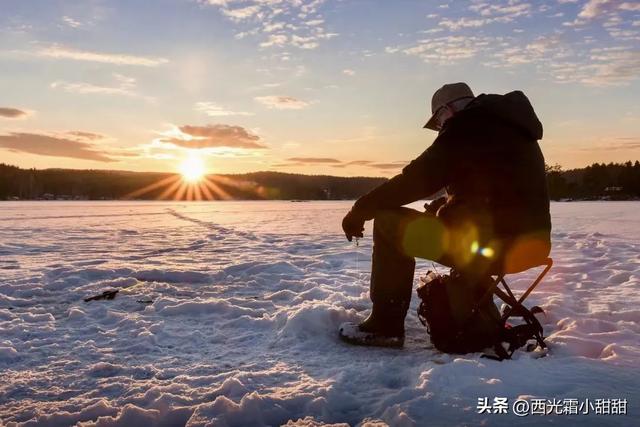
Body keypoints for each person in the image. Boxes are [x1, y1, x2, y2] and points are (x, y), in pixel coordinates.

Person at [339, 82, 551, 347]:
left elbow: (415, 180)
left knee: (387, 222)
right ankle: (474, 313)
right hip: (531, 244)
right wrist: (445, 205)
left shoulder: (467, 126)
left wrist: (361, 209)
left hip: (492, 246)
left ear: (448, 110)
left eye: (439, 121)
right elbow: (492, 192)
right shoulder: (510, 127)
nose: (440, 129)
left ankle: (385, 326)